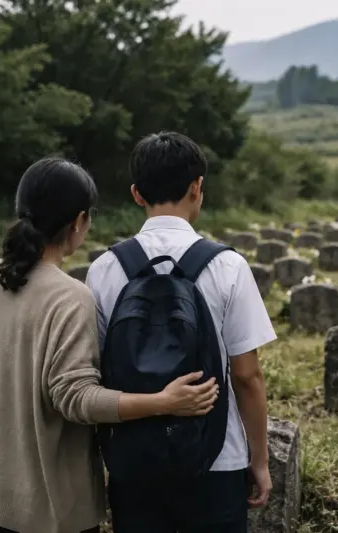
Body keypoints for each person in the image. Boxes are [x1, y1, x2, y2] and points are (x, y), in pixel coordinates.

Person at [0, 157, 219, 533]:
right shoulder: (70, 296)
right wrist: (164, 402)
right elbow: (75, 397)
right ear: (78, 222)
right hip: (44, 505)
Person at [86, 132, 276, 533]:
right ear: (197, 189)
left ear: (137, 194)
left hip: (134, 459)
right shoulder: (228, 266)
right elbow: (246, 376)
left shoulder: (104, 268)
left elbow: (97, 371)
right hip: (216, 458)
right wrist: (258, 459)